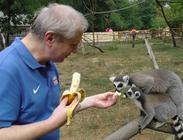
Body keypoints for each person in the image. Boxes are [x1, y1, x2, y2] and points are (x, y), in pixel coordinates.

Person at [0, 3, 118, 140]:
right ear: (50, 38)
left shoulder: (48, 63)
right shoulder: (5, 69)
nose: (75, 51)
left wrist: (90, 101)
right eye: (73, 45)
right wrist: (52, 124)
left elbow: (49, 110)